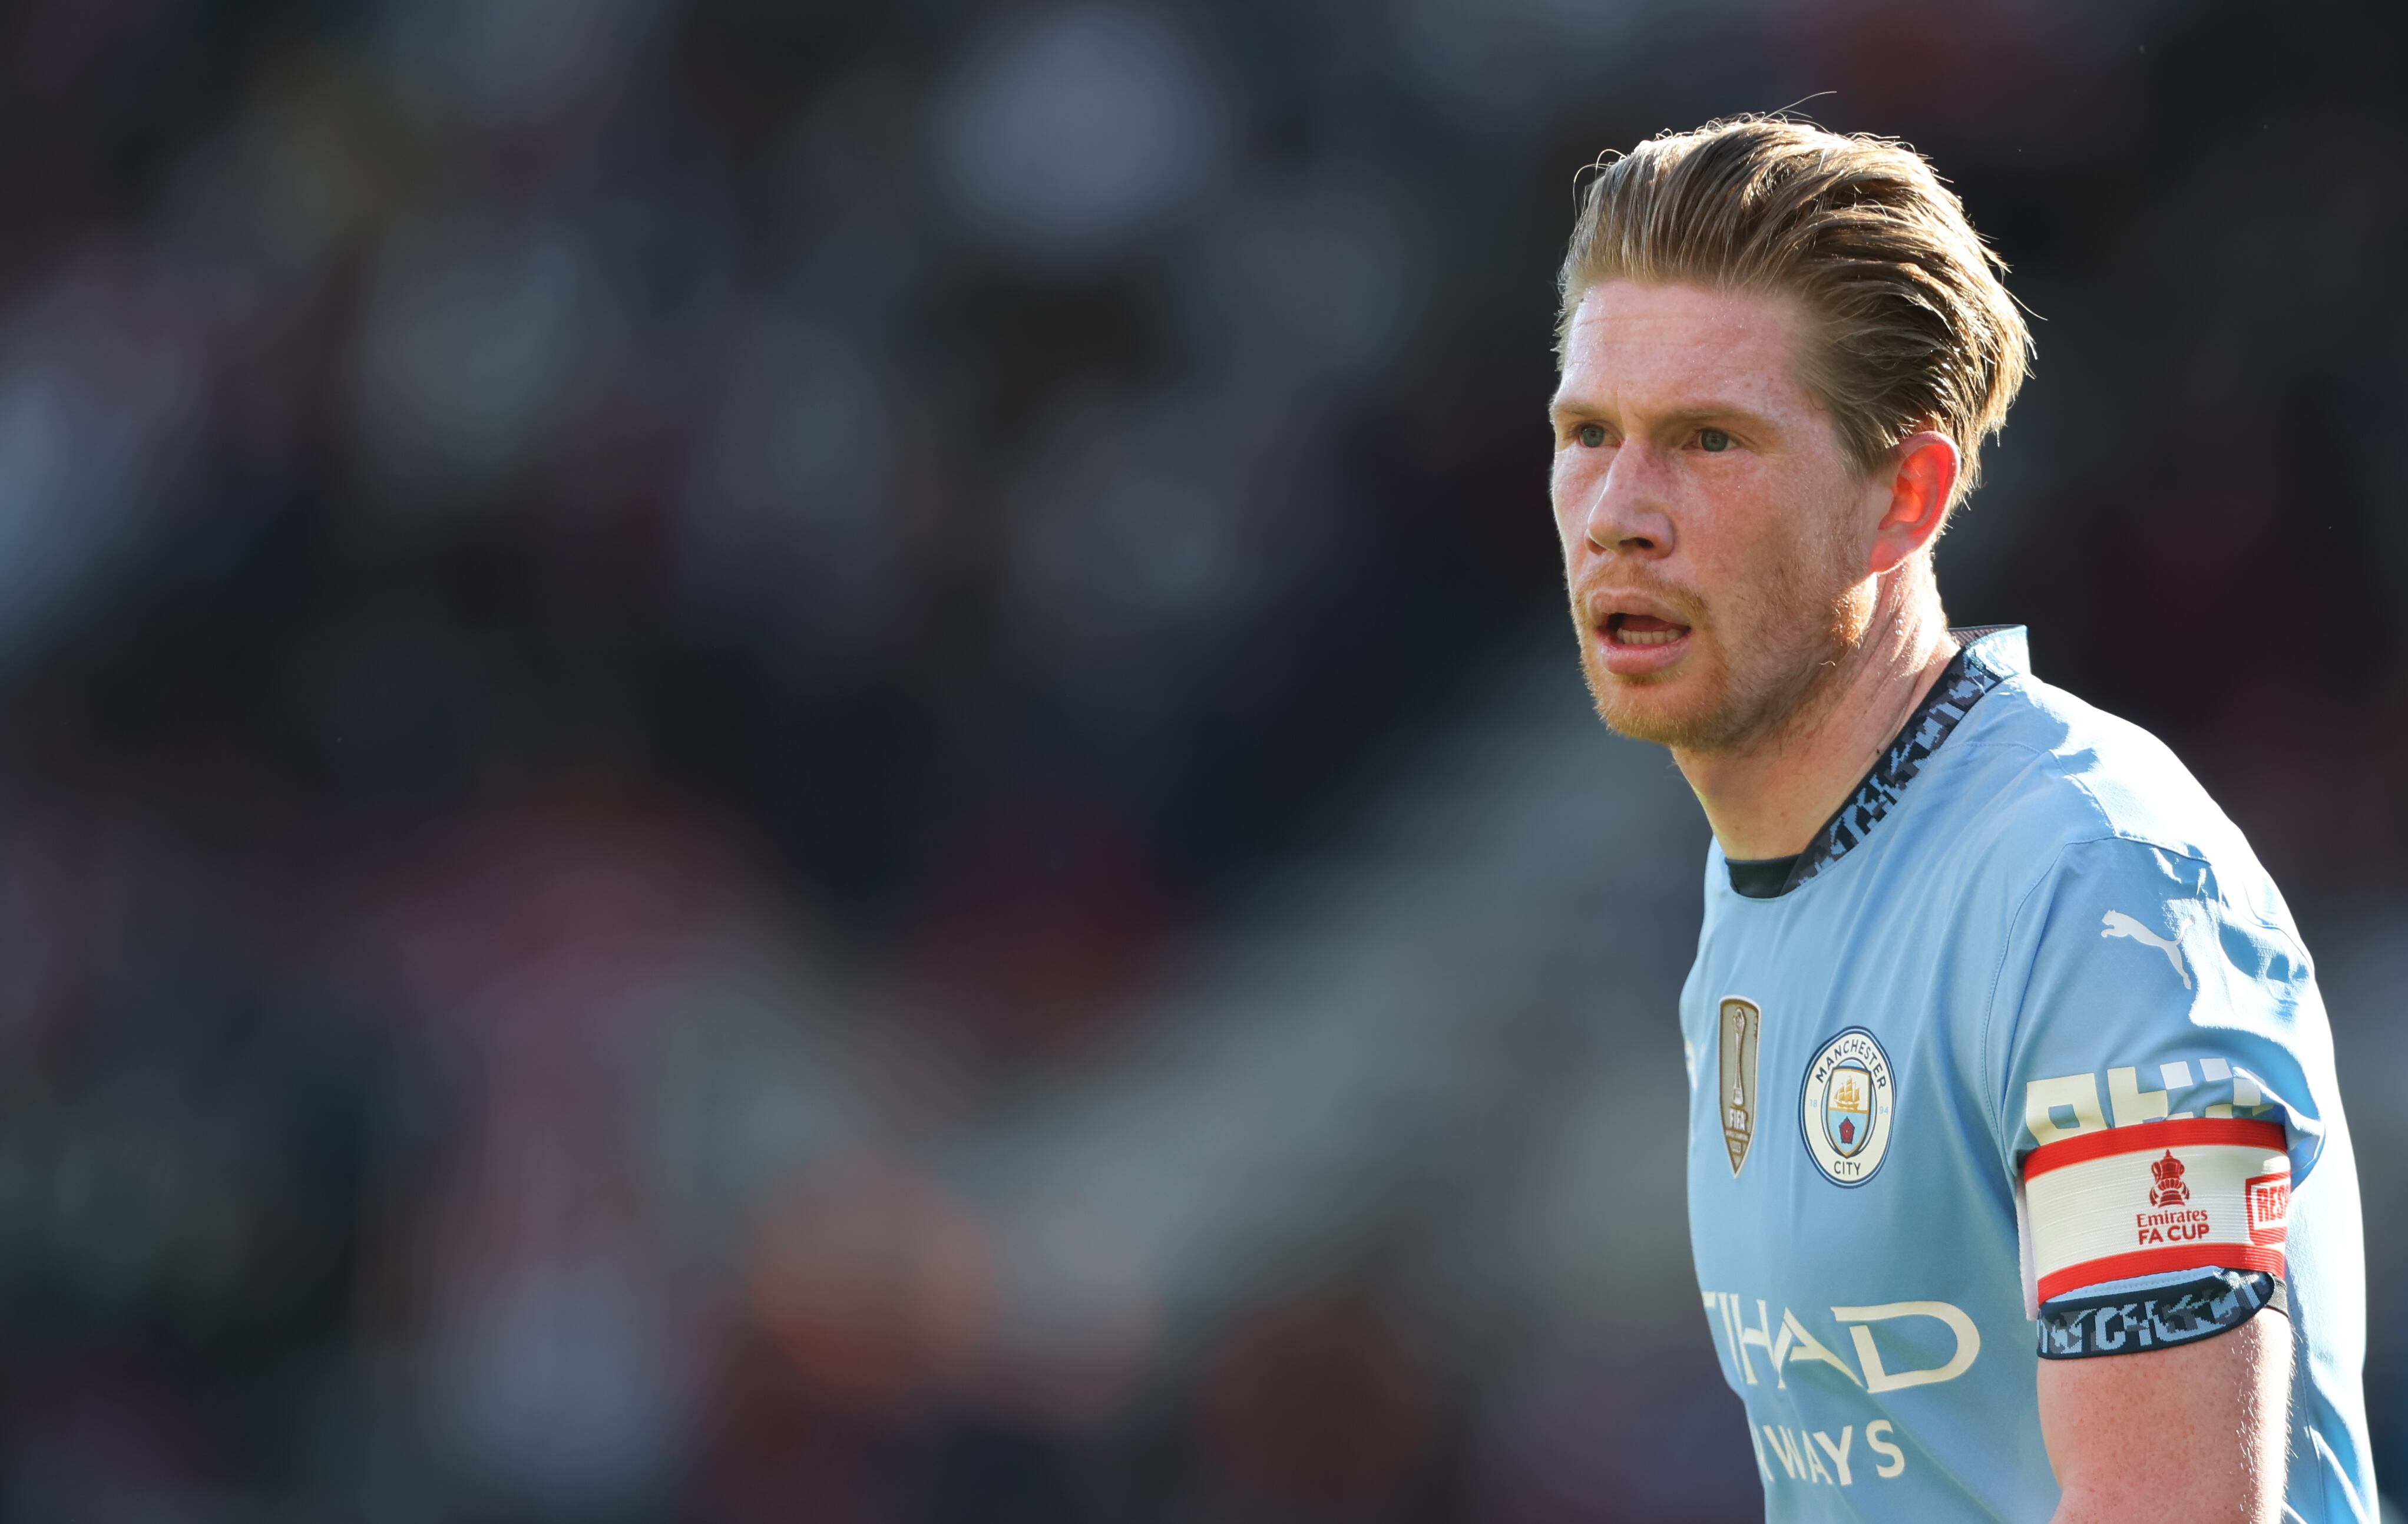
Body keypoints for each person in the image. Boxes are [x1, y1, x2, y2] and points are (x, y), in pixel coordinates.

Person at [1548, 117, 2374, 1521]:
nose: (1620, 510)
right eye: (1588, 434)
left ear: (1904, 496)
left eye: (1708, 438)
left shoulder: (2093, 888)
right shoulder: (1767, 876)